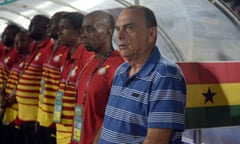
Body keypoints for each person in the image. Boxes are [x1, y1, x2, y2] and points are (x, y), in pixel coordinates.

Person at [99, 6, 186, 144]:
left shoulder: (165, 74)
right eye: (118, 29)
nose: (119, 36)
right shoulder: (121, 70)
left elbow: (157, 140)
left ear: (151, 34)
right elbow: (109, 123)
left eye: (129, 28)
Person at [71, 10, 124, 144]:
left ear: (108, 31)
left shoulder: (120, 67)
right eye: (82, 30)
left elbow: (118, 115)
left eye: (90, 30)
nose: (83, 35)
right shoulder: (90, 62)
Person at [53, 12, 92, 144]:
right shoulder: (66, 55)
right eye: (59, 28)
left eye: (64, 28)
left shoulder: (87, 57)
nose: (58, 32)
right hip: (61, 128)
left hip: (75, 133)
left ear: (79, 31)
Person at [15, 14, 53, 144]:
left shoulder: (49, 48)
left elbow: (46, 84)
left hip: (36, 115)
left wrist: (39, 115)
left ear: (45, 28)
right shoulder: (33, 48)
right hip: (24, 113)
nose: (29, 27)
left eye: (34, 24)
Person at [37, 11, 69, 144]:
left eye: (53, 22)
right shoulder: (49, 49)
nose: (48, 26)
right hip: (42, 114)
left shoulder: (67, 51)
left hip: (56, 120)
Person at [1, 30, 32, 144]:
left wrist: (8, 100)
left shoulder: (29, 61)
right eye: (16, 42)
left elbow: (20, 83)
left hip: (18, 112)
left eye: (21, 41)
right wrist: (1, 94)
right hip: (8, 109)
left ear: (30, 42)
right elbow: (9, 79)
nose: (17, 45)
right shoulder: (20, 60)